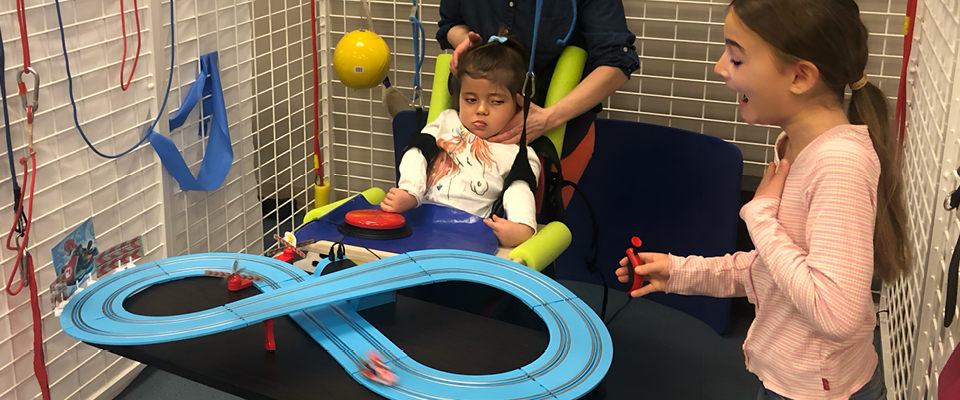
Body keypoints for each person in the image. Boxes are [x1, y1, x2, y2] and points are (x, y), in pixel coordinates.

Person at [615, 0, 910, 399]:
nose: (721, 68)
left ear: (801, 76)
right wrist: (681, 272)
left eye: (736, 59)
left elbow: (835, 313)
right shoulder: (795, 145)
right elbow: (779, 270)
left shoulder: (841, 165)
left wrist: (760, 217)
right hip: (785, 378)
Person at [438, 0, 639, 206]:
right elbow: (450, 23)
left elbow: (617, 61)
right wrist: (469, 45)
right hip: (467, 135)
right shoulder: (443, 125)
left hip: (554, 130)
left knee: (529, 219)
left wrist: (547, 118)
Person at [380, 32, 540, 248]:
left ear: (518, 104)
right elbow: (416, 151)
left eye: (496, 101)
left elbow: (520, 189)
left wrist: (522, 225)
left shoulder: (517, 152)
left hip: (470, 234)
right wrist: (411, 191)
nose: (481, 110)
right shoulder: (447, 121)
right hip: (419, 220)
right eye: (471, 99)